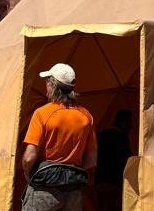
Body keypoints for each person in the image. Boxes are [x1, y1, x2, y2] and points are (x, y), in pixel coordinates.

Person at [22, 63, 97, 211]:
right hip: (72, 190)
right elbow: (91, 160)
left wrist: (26, 171)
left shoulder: (42, 113)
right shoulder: (86, 116)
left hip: (44, 188)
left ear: (52, 85)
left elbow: (29, 157)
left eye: (47, 82)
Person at [95, 109, 133, 211]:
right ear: (123, 122)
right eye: (129, 123)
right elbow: (127, 159)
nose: (131, 127)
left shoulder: (101, 135)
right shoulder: (121, 137)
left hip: (100, 181)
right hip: (114, 182)